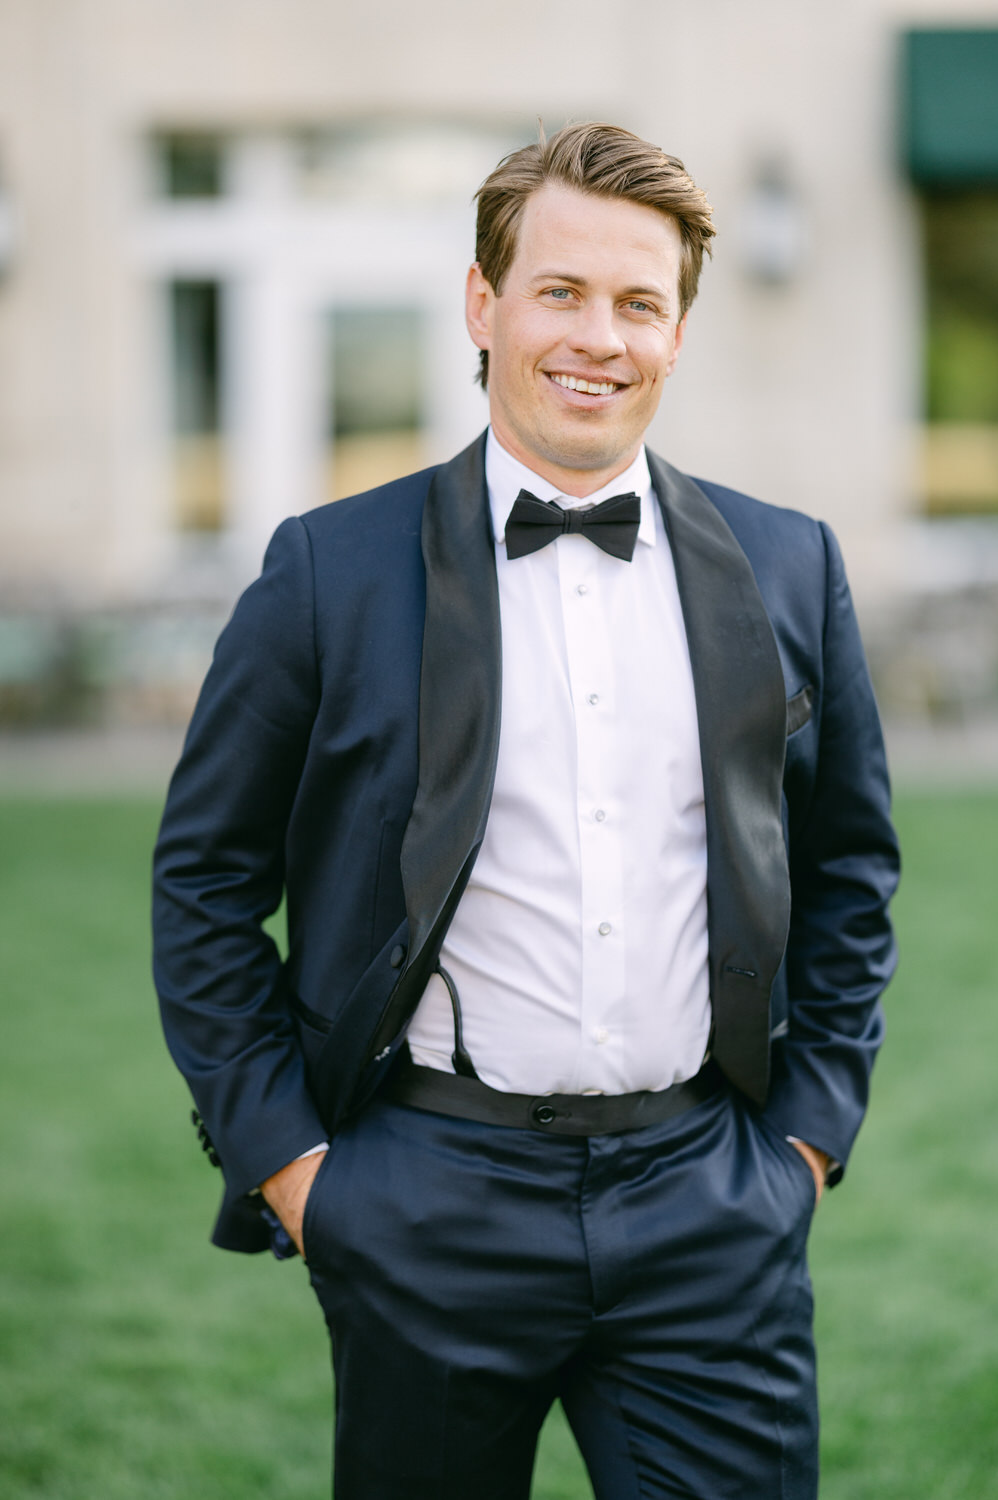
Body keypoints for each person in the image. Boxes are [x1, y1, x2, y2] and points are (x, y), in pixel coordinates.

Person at [153, 121, 899, 1499]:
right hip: (422, 1196)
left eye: (639, 303)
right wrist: (297, 1170)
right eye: (561, 291)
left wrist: (805, 1139)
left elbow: (851, 867)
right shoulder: (329, 571)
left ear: (679, 332)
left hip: (710, 1201)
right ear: (484, 305)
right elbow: (202, 880)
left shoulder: (792, 566)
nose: (597, 337)